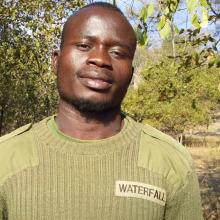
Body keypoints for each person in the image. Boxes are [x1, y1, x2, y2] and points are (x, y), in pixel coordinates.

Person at [0, 2, 203, 220]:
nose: (100, 59)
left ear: (131, 74)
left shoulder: (170, 162)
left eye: (117, 52)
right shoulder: (7, 159)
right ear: (56, 61)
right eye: (84, 46)